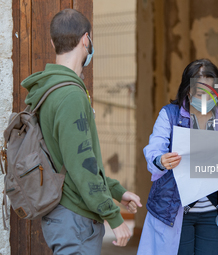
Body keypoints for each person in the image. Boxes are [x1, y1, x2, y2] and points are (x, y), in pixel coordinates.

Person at [21, 9, 142, 254]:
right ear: (86, 39)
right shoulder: (70, 95)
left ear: (54, 42)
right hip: (74, 217)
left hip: (65, 215)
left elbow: (73, 158)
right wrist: (114, 217)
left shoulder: (48, 88)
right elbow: (81, 165)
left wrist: (117, 191)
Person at [137, 59, 218, 255]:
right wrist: (161, 160)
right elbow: (154, 147)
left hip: (215, 211)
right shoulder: (169, 114)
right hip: (174, 210)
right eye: (200, 93)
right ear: (188, 91)